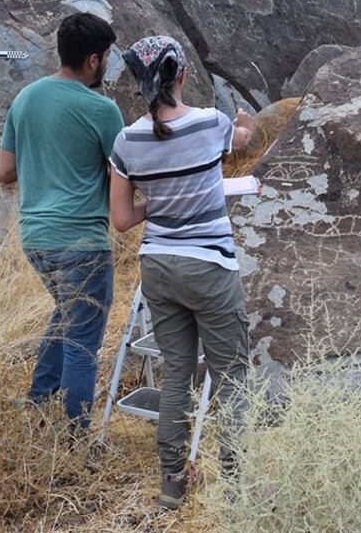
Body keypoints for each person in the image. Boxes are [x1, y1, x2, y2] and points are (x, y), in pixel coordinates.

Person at [109, 36, 255, 510]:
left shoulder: (127, 140)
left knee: (177, 374)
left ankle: (172, 483)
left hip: (159, 266)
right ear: (183, 75)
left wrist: (164, 200)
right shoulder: (212, 124)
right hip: (209, 266)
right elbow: (239, 142)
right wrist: (246, 132)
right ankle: (237, 485)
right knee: (231, 375)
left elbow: (124, 219)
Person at [0, 13, 140, 430]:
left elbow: (5, 172)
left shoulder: (25, 98)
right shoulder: (101, 110)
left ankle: (39, 405)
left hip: (35, 238)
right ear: (94, 60)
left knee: (66, 317)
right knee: (83, 341)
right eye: (108, 57)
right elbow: (123, 178)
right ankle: (73, 439)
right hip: (81, 242)